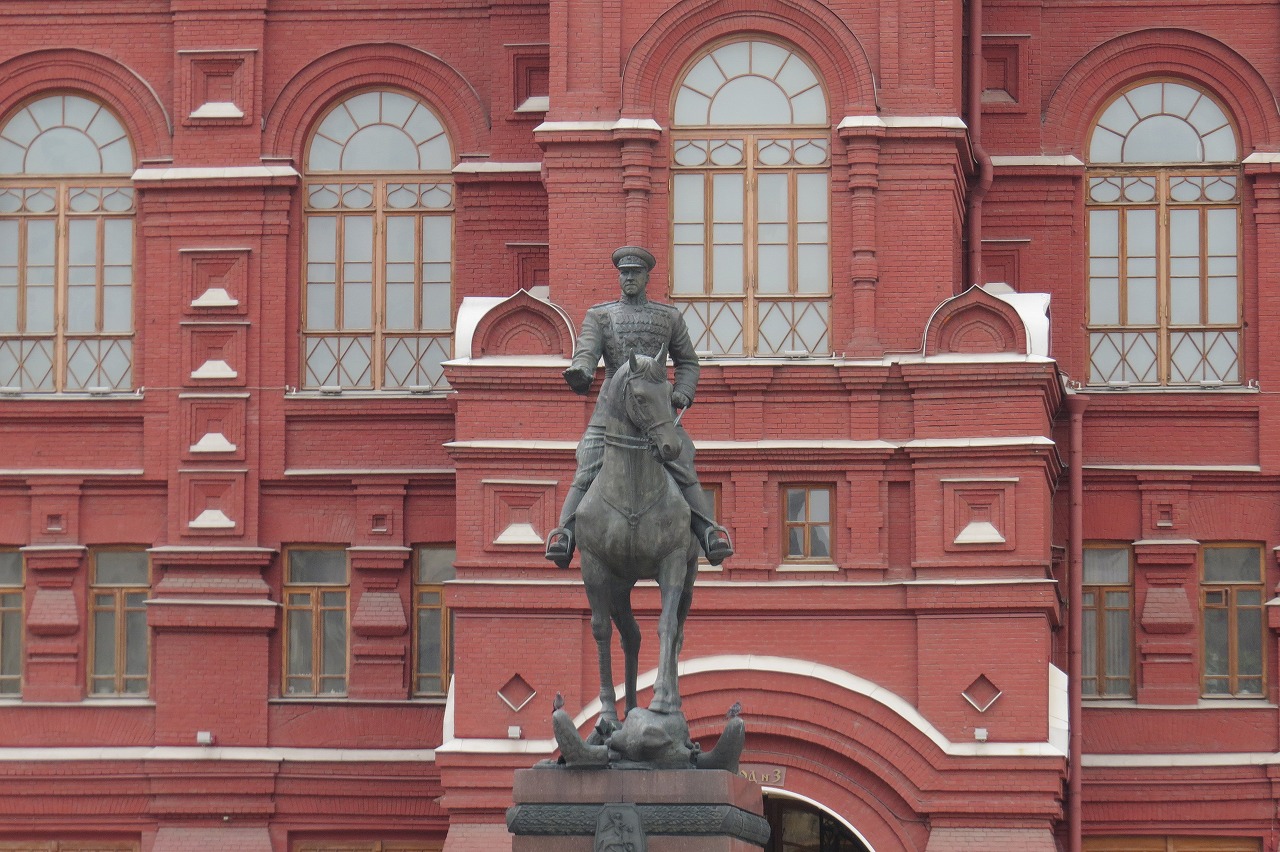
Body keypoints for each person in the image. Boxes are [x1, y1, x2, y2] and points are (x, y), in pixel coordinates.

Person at [545, 246, 734, 568]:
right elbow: (587, 353)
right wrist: (581, 372)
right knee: (588, 461)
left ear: (647, 276)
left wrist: (683, 393)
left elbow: (688, 361)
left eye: (635, 272)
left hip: (656, 411)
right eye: (624, 272)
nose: (629, 277)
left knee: (683, 458)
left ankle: (707, 531)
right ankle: (564, 533)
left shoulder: (668, 317)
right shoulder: (600, 315)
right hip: (612, 412)